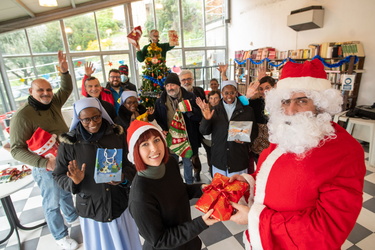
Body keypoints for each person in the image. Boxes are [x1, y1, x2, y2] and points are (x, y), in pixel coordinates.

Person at [229, 59, 366, 250]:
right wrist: (249, 182)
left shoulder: (345, 151)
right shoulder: (287, 133)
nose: (291, 111)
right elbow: (274, 175)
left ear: (320, 104)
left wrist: (254, 218)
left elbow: (328, 229)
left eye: (302, 101)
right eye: (286, 101)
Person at [9, 51, 79, 249]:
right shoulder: (22, 116)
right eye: (40, 90)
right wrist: (44, 163)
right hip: (44, 166)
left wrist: (64, 72)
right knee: (52, 202)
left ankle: (72, 216)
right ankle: (59, 236)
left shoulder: (53, 103)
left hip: (64, 158)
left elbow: (66, 89)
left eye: (48, 89)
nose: (46, 93)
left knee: (66, 191)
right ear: (31, 91)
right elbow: (16, 150)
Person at [53, 98, 141, 250]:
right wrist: (74, 181)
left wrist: (123, 177)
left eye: (96, 117)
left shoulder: (117, 135)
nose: (92, 123)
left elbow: (131, 165)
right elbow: (58, 176)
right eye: (86, 119)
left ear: (102, 114)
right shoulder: (69, 144)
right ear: (79, 119)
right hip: (92, 209)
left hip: (118, 204)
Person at [126, 120, 217, 250]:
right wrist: (201, 223)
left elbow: (178, 190)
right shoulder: (140, 197)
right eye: (145, 144)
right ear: (135, 152)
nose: (154, 148)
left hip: (189, 241)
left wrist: (202, 188)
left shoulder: (169, 164)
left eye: (156, 140)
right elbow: (160, 240)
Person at [197, 80, 257, 177]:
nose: (229, 96)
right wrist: (206, 119)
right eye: (226, 93)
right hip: (219, 158)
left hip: (238, 158)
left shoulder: (247, 111)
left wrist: (245, 141)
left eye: (232, 93)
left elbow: (254, 132)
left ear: (236, 93)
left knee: (237, 190)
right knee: (220, 190)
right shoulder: (214, 110)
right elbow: (204, 131)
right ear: (221, 93)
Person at [154, 73, 202, 184]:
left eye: (172, 85)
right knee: (172, 163)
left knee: (188, 163)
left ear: (178, 85)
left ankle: (189, 184)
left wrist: (189, 111)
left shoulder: (190, 97)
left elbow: (199, 115)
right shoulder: (160, 101)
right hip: (171, 138)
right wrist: (163, 128)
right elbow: (158, 118)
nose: (170, 88)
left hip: (187, 138)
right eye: (167, 86)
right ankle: (176, 185)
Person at [179, 69, 205, 182]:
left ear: (193, 79)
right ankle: (190, 175)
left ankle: (197, 171)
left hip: (198, 127)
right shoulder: (177, 93)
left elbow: (204, 106)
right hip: (184, 128)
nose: (186, 82)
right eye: (183, 79)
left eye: (188, 79)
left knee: (196, 153)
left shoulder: (199, 91)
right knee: (187, 154)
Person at [247, 76, 276, 162]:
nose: (264, 91)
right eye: (261, 89)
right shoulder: (255, 102)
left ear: (274, 87)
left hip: (274, 143)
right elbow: (241, 107)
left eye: (267, 88)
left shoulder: (281, 103)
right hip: (258, 144)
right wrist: (248, 96)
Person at [200, 90, 221, 177]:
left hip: (218, 139)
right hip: (207, 139)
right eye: (211, 98)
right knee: (210, 155)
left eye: (216, 98)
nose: (214, 100)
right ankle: (211, 170)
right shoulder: (205, 108)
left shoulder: (222, 110)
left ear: (220, 98)